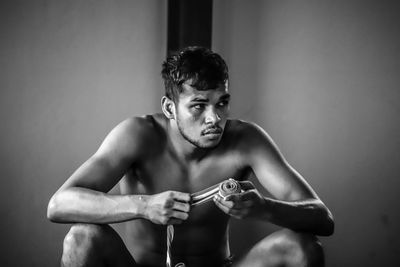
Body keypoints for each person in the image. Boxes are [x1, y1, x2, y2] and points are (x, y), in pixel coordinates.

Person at [47, 46, 334, 267]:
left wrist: (263, 208)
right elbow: (59, 205)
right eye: (198, 105)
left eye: (222, 102)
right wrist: (143, 206)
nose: (215, 118)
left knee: (303, 247)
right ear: (170, 108)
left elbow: (323, 218)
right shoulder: (137, 135)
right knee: (82, 238)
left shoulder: (246, 140)